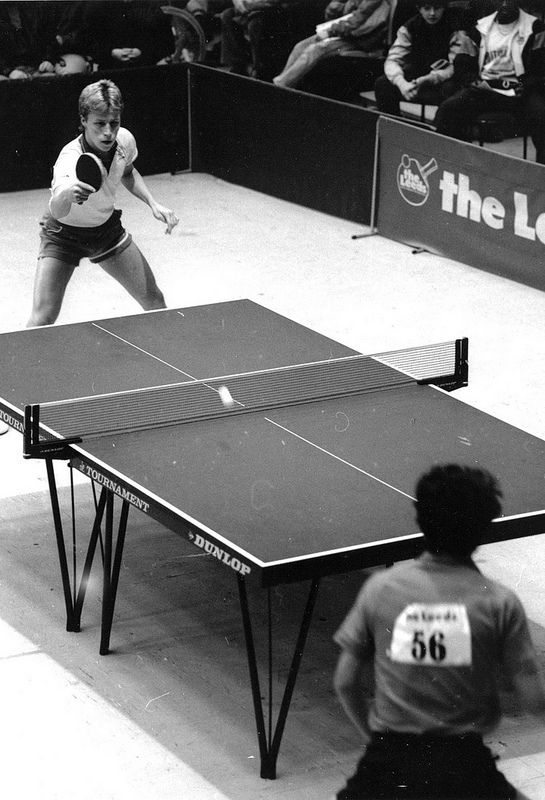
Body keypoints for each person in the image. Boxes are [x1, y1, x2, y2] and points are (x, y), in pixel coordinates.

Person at [333, 463, 545, 799]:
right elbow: (535, 702)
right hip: (463, 767)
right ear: (485, 528)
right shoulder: (500, 603)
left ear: (420, 519)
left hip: (387, 762)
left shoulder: (380, 588)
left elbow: (345, 683)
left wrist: (376, 741)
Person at [27, 79, 179, 327]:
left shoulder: (124, 141)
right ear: (84, 120)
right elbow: (57, 209)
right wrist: (67, 194)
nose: (108, 132)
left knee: (155, 301)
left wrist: (153, 203)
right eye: (99, 123)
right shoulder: (69, 160)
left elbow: (129, 172)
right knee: (42, 318)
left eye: (114, 123)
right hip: (63, 235)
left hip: (106, 231)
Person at [434, 0, 545, 163]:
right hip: (485, 91)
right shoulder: (480, 27)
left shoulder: (536, 27)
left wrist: (525, 86)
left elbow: (541, 69)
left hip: (521, 93)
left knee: (541, 117)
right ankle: (455, 165)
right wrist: (473, 81)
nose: (505, 3)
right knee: (448, 110)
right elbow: (462, 61)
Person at [273, 0, 393, 89]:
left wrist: (330, 31)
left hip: (360, 39)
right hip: (345, 32)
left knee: (316, 49)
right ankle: (284, 79)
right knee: (301, 46)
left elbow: (357, 21)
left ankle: (282, 84)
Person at [374, 0, 466, 116]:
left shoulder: (455, 28)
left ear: (444, 8)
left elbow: (455, 66)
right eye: (427, 8)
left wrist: (429, 78)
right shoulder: (409, 27)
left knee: (452, 90)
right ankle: (393, 125)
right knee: (382, 83)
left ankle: (438, 130)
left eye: (437, 8)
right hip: (417, 74)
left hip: (445, 78)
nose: (432, 13)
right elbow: (392, 60)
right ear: (419, 8)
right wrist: (401, 83)